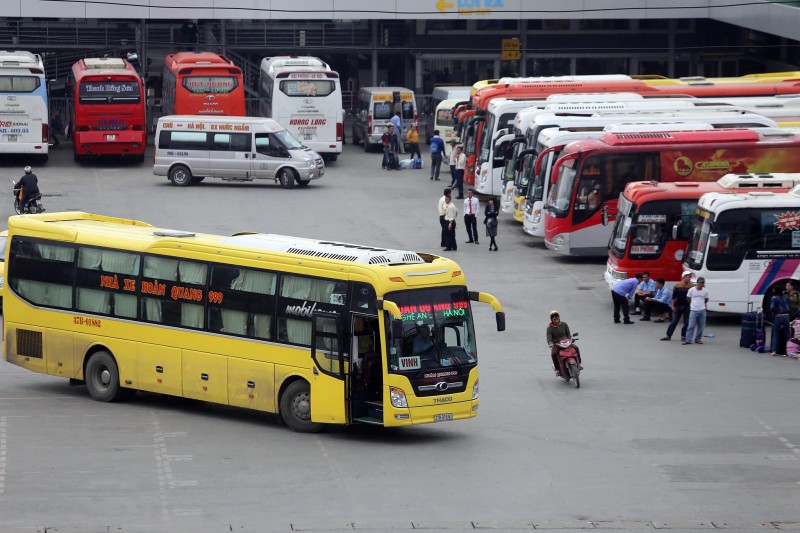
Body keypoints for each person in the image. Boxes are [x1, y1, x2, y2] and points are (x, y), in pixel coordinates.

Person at [546, 310, 581, 377]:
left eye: (557, 317)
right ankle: (557, 369)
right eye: (554, 318)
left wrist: (570, 339)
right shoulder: (549, 328)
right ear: (551, 319)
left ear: (559, 317)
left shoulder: (564, 324)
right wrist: (551, 343)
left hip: (566, 342)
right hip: (557, 344)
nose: (556, 319)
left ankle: (579, 363)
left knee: (576, 348)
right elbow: (549, 338)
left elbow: (568, 334)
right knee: (553, 354)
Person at [662, 271, 694, 341]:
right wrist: (673, 306)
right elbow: (674, 297)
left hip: (687, 306)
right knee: (674, 322)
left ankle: (683, 336)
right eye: (689, 277)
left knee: (686, 322)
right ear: (684, 277)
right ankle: (668, 335)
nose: (689, 278)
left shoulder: (691, 287)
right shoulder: (677, 286)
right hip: (678, 306)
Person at [684, 276, 709, 345]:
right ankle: (688, 339)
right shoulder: (691, 290)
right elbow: (688, 298)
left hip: (702, 310)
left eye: (703, 283)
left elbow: (706, 299)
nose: (702, 284)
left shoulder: (705, 290)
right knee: (691, 325)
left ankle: (698, 339)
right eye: (701, 283)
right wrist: (692, 304)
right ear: (697, 283)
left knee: (701, 326)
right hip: (693, 310)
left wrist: (702, 305)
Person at [770, 286, 791, 356]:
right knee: (787, 334)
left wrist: (774, 312)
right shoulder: (785, 296)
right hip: (786, 316)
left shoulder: (774, 298)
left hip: (779, 316)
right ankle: (788, 350)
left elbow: (772, 308)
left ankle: (774, 351)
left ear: (775, 290)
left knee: (776, 334)